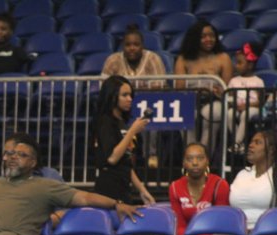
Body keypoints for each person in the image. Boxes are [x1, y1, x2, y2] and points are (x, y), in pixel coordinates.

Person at [0, 133, 141, 235]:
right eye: (11, 154)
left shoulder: (46, 185)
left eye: (22, 155)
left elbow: (85, 197)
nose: (14, 157)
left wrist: (116, 203)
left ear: (33, 163)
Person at [101, 24, 166, 168]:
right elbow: (105, 86)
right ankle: (123, 157)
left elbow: (159, 85)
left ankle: (151, 155)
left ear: (142, 46)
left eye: (136, 44)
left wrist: (127, 89)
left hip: (148, 105)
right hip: (119, 107)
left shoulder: (153, 59)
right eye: (128, 44)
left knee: (150, 119)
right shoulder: (113, 60)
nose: (132, 48)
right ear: (123, 46)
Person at [92, 75, 155, 205]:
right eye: (124, 95)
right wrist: (132, 131)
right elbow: (112, 158)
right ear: (112, 96)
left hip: (124, 187)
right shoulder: (105, 122)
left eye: (130, 95)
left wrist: (142, 190)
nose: (129, 99)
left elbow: (125, 164)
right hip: (108, 189)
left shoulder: (123, 122)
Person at [174, 20, 233, 152]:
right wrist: (199, 89)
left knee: (213, 113)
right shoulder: (183, 59)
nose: (209, 39)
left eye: (211, 36)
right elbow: (179, 87)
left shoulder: (223, 58)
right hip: (190, 100)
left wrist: (217, 91)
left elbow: (227, 88)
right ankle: (190, 153)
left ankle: (205, 155)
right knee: (184, 113)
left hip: (215, 100)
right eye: (203, 36)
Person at [168, 143, 230, 235]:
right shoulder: (175, 187)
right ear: (183, 163)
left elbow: (220, 221)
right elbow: (179, 224)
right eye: (189, 159)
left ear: (207, 161)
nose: (195, 163)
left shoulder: (220, 185)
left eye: (200, 158)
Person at [230, 130, 277, 230]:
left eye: (257, 142)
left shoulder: (274, 175)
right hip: (236, 230)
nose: (251, 145)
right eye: (251, 142)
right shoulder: (242, 174)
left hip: (267, 230)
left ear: (271, 150)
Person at [227, 42, 265, 154]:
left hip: (253, 108)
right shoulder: (233, 80)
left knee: (245, 114)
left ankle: (237, 143)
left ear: (250, 65)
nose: (236, 65)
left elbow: (261, 101)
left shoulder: (258, 81)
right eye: (236, 62)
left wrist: (247, 105)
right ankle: (240, 143)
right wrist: (234, 105)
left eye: (240, 63)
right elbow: (230, 98)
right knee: (229, 114)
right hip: (237, 108)